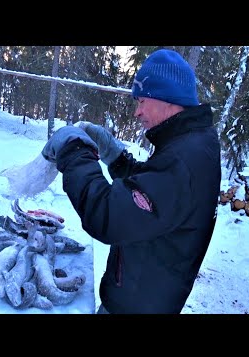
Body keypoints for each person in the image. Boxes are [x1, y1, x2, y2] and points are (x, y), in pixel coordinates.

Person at [42, 49, 221, 314]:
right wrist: (115, 156)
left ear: (165, 97)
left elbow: (108, 215)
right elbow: (152, 194)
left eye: (141, 101)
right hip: (143, 297)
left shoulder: (186, 159)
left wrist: (74, 152)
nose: (137, 112)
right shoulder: (189, 144)